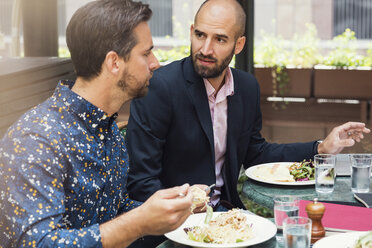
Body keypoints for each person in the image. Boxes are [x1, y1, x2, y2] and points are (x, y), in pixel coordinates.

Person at [126, 0, 370, 211]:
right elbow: (142, 182)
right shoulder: (159, 87)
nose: (205, 48)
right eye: (200, 35)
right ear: (191, 31)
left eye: (220, 39)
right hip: (174, 226)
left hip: (230, 214)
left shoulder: (246, 87)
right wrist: (188, 208)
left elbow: (257, 154)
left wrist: (321, 148)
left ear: (239, 44)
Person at [0, 1, 193, 247]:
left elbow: (113, 212)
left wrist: (173, 207)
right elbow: (38, 243)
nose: (155, 63)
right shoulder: (35, 139)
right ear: (114, 63)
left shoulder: (107, 127)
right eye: (146, 53)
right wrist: (139, 221)